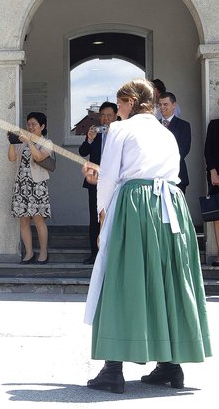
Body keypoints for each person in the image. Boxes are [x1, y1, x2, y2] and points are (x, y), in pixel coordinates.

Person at [83, 79, 211, 394]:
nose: (116, 111)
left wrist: (102, 217)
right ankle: (170, 365)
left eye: (119, 103)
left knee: (123, 278)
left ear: (129, 102)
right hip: (170, 207)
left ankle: (113, 369)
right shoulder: (164, 132)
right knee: (166, 279)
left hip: (136, 204)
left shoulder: (120, 130)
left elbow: (110, 177)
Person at [8, 112, 52, 264]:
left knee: (39, 220)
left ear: (42, 126)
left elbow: (39, 157)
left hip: (37, 185)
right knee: (24, 221)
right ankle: (29, 253)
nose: (30, 127)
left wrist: (30, 142)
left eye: (34, 124)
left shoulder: (47, 142)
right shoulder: (22, 142)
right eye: (28, 124)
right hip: (21, 184)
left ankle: (43, 252)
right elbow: (12, 158)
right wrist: (12, 142)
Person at [78, 102, 118, 265]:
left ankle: (113, 256)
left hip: (115, 182)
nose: (105, 119)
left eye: (109, 115)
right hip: (95, 182)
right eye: (103, 115)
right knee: (95, 218)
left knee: (113, 217)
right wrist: (89, 139)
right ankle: (95, 254)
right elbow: (82, 152)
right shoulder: (96, 132)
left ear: (116, 116)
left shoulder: (121, 134)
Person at [158, 92, 191, 193]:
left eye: (165, 104)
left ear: (174, 105)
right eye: (160, 104)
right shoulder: (154, 125)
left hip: (177, 175)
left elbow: (183, 150)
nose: (162, 107)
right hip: (156, 177)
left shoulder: (184, 125)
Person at [204, 117, 219, 267]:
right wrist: (213, 172)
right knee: (217, 216)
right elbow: (208, 151)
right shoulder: (214, 125)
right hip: (217, 177)